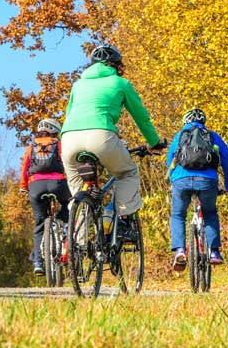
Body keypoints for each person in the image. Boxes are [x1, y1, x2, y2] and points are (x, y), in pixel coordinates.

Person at [60, 44, 164, 241]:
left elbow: (68, 114)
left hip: (69, 139)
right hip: (101, 135)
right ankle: (123, 220)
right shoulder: (120, 83)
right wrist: (155, 142)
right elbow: (141, 117)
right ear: (116, 65)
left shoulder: (78, 85)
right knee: (127, 173)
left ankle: (78, 242)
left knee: (77, 188)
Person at [166, 108, 228, 270]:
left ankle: (180, 251)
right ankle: (214, 253)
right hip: (207, 180)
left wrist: (171, 180)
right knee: (210, 213)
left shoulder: (180, 135)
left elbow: (169, 161)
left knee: (177, 215)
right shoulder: (212, 136)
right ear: (204, 122)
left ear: (185, 122)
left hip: (181, 180)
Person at [19, 118, 71, 275]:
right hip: (58, 183)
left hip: (35, 186)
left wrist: (23, 186)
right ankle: (63, 229)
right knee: (68, 205)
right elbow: (68, 162)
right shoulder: (58, 144)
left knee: (40, 223)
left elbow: (25, 167)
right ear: (55, 131)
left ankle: (37, 262)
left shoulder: (31, 146)